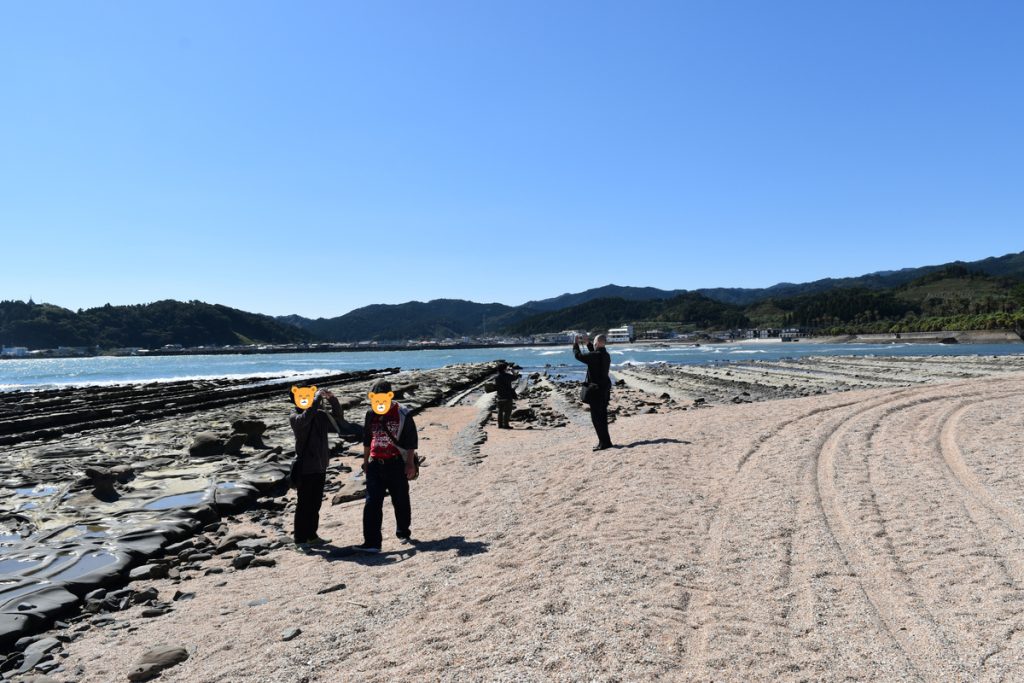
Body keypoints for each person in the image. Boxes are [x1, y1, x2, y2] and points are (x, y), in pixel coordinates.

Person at [355, 378, 419, 553]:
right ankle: (372, 543)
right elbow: (367, 439)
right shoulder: (370, 414)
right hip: (375, 464)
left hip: (396, 463)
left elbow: (411, 441)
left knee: (400, 500)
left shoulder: (403, 413)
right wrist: (365, 461)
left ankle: (403, 532)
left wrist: (410, 464)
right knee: (372, 503)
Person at [289, 386, 344, 551]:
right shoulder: (295, 416)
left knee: (315, 504)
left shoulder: (319, 414)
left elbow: (338, 417)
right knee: (304, 504)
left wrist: (332, 399)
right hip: (305, 467)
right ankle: (300, 539)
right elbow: (305, 419)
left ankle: (312, 536)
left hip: (320, 466)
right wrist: (315, 400)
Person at [573, 333, 613, 450]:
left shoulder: (595, 355)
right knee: (603, 417)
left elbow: (579, 356)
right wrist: (588, 343)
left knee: (596, 418)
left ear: (596, 343)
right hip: (605, 389)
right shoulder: (606, 355)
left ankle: (603, 443)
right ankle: (606, 441)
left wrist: (575, 344)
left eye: (594, 343)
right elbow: (594, 356)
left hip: (596, 391)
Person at [494, 362, 519, 429]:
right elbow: (515, 377)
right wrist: (512, 371)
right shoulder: (507, 376)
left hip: (499, 395)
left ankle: (500, 425)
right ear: (505, 369)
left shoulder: (497, 377)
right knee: (507, 411)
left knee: (500, 411)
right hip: (507, 396)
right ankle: (506, 425)